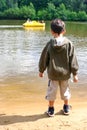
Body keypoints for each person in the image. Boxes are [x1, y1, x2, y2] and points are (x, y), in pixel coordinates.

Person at [39, 19, 79, 117]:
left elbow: (44, 58)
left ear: (52, 31)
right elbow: (73, 60)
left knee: (51, 91)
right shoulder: (69, 44)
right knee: (65, 90)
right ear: (64, 31)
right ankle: (66, 107)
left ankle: (51, 109)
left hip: (53, 74)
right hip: (65, 74)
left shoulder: (50, 44)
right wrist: (75, 74)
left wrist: (41, 70)